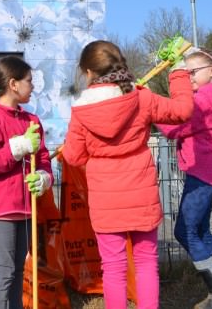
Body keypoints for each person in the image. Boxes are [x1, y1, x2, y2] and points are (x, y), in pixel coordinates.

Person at [62, 40, 194, 309]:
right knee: (146, 262)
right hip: (142, 192)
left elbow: (73, 157)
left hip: (105, 199)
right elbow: (182, 111)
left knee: (113, 267)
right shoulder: (141, 97)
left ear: (88, 72)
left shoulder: (81, 110)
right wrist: (179, 72)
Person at [156, 49, 212, 309]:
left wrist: (152, 110)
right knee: (201, 231)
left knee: (184, 231)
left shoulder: (204, 98)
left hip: (201, 173)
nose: (188, 78)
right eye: (185, 74)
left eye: (192, 72)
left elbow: (176, 127)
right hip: (210, 172)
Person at [0, 55, 53, 309]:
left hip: (26, 205)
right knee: (5, 269)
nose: (32, 86)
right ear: (13, 84)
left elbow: (43, 158)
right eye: (28, 81)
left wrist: (44, 178)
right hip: (3, 206)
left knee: (19, 267)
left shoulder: (32, 121)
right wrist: (17, 148)